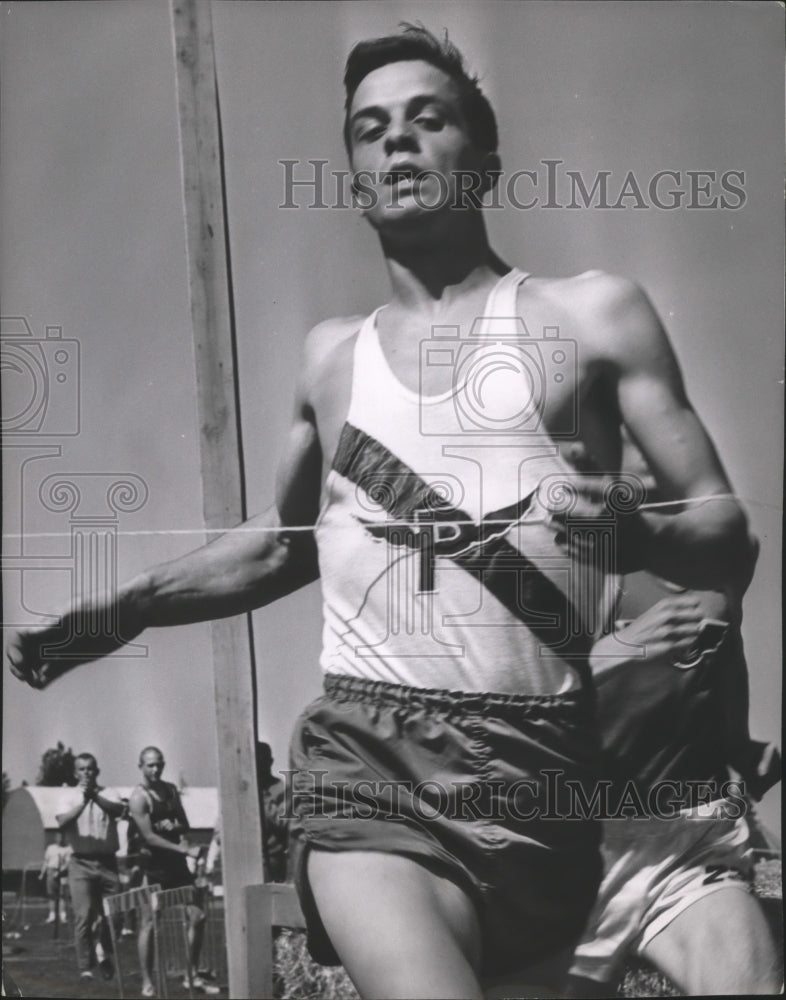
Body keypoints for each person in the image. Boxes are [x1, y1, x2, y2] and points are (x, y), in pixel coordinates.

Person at [7, 23, 758, 999]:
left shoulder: (594, 314)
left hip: (545, 771)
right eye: (371, 130)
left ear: (483, 159)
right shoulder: (332, 357)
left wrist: (639, 530)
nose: (397, 141)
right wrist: (120, 612)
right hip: (370, 759)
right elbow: (278, 550)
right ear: (355, 178)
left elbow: (726, 534)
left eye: (427, 118)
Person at [565, 441, 781, 996]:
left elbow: (724, 648)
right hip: (565, 840)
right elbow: (501, 695)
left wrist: (738, 741)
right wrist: (620, 650)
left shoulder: (731, 550)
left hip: (686, 836)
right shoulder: (568, 550)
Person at [128, 746, 219, 997]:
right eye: (150, 765)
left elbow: (185, 823)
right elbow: (149, 837)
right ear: (141, 766)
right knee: (148, 923)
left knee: (198, 916)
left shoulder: (170, 790)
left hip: (177, 867)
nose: (155, 769)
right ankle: (147, 981)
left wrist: (173, 824)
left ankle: (191, 974)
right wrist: (183, 849)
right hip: (154, 867)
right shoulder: (139, 797)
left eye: (159, 764)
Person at [55, 752, 123, 983]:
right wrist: (84, 801)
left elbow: (119, 811)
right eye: (82, 769)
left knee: (114, 915)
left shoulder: (109, 792)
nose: (87, 773)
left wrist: (95, 797)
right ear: (75, 773)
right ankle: (85, 966)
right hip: (80, 862)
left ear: (97, 771)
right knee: (83, 916)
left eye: (91, 769)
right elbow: (62, 822)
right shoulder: (68, 796)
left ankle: (103, 950)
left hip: (107, 862)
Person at [256, 742, 290, 883]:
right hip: (246, 856)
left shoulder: (281, 788)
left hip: (273, 858)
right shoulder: (243, 791)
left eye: (263, 761)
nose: (260, 765)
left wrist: (266, 801)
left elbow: (286, 822)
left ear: (270, 762)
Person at [38, 830, 70, 925]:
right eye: (58, 837)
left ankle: (62, 916)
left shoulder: (67, 849)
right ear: (56, 838)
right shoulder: (50, 848)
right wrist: (42, 873)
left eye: (62, 837)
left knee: (62, 895)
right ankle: (52, 916)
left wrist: (60, 872)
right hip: (51, 871)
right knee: (51, 895)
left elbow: (68, 863)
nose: (60, 839)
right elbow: (46, 861)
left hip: (62, 873)